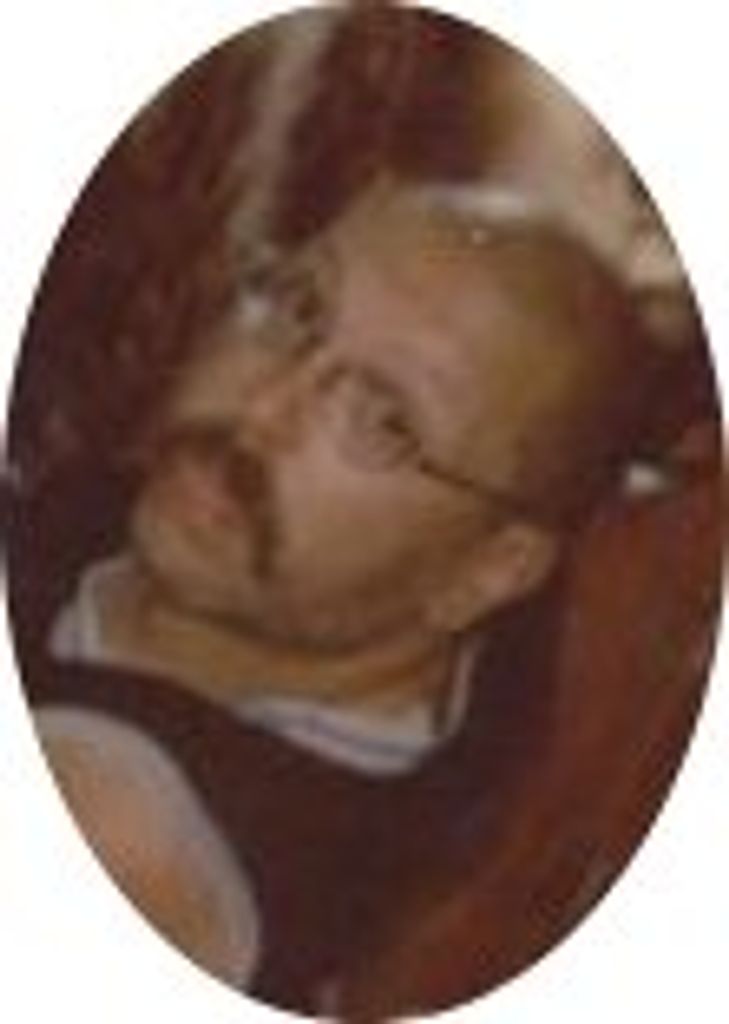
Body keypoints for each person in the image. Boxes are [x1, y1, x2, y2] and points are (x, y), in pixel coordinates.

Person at [16, 183, 660, 1014]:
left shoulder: (118, 827)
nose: (259, 408)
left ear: (487, 573)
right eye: (300, 309)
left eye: (385, 420)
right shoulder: (278, 571)